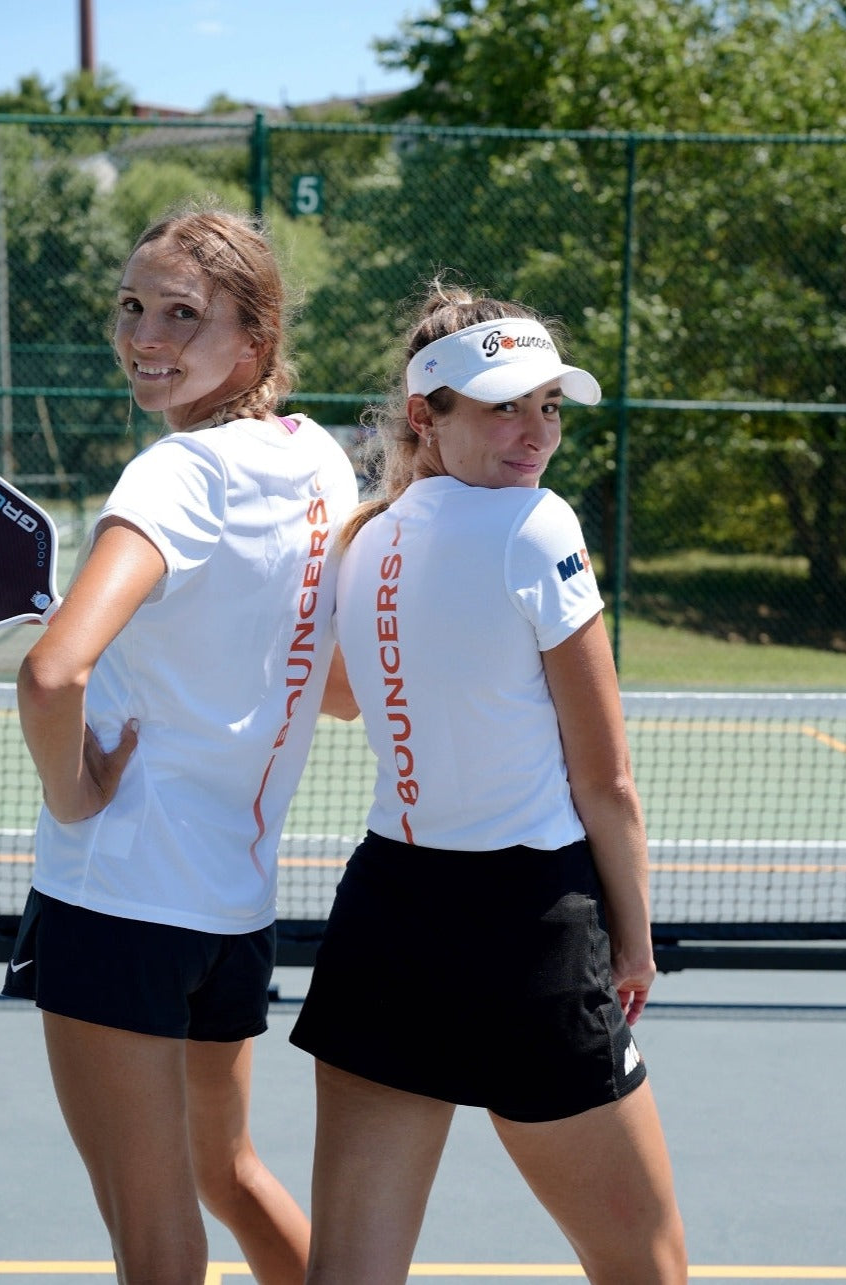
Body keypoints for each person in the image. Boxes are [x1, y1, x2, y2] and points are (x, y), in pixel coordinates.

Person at [290, 283, 688, 1283]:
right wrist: (634, 943)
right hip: (529, 933)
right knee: (646, 1269)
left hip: (384, 917)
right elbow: (607, 780)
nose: (534, 432)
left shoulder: (365, 537)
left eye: (547, 406)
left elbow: (340, 697)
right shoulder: (535, 528)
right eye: (504, 405)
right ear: (428, 416)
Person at [2, 204, 359, 1285]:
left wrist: (69, 793)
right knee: (230, 1173)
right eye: (131, 306)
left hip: (115, 901)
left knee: (152, 1237)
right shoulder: (320, 464)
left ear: (253, 341)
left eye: (181, 315)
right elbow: (334, 690)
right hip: (233, 913)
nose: (144, 335)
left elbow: (50, 673)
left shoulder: (170, 477)